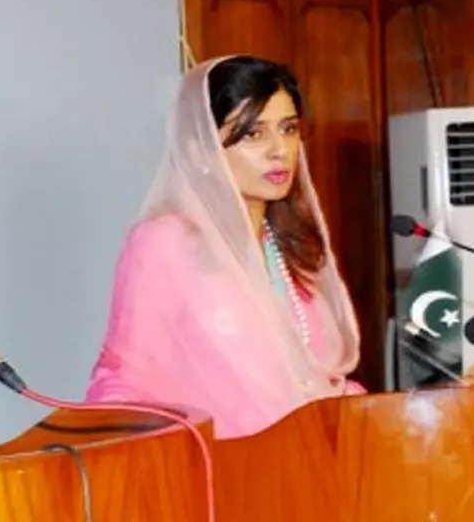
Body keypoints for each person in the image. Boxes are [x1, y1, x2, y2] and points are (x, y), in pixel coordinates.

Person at [84, 54, 364, 438]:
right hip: (217, 465)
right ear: (200, 151)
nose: (279, 150)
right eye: (253, 134)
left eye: (288, 129)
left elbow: (319, 382)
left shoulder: (290, 246)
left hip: (310, 460)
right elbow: (126, 377)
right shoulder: (165, 242)